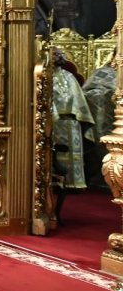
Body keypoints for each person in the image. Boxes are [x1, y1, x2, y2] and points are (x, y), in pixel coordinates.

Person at [52, 50, 94, 189]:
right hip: (53, 121)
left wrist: (78, 115)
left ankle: (74, 182)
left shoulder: (69, 76)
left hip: (72, 121)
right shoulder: (44, 76)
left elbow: (78, 97)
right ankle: (56, 181)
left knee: (73, 152)